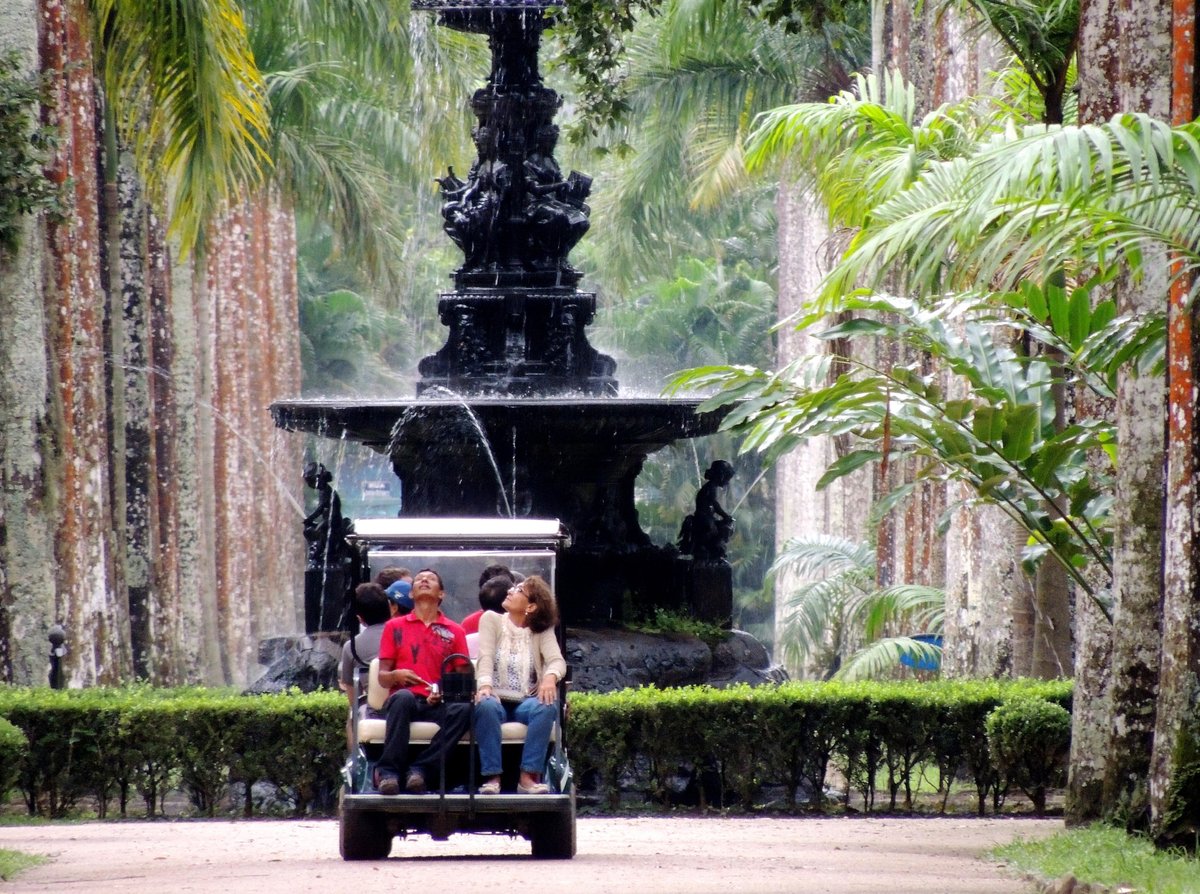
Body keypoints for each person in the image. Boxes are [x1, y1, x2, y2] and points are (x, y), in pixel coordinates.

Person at [374, 568, 472, 795]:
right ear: (411, 594)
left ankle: (421, 769)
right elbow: (383, 677)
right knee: (403, 698)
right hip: (404, 699)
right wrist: (397, 676)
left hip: (437, 701)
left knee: (464, 710)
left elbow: (463, 677)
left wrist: (443, 692)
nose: (424, 580)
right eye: (419, 579)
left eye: (431, 579)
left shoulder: (454, 631)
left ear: (441, 595)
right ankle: (389, 773)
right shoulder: (394, 627)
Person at [473, 575, 566, 795]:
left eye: (519, 590)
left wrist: (549, 677)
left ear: (531, 606)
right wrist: (485, 685)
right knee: (485, 706)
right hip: (496, 698)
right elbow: (484, 655)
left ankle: (528, 777)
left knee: (546, 706)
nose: (510, 591)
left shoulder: (541, 630)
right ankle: (492, 778)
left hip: (525, 701)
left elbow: (557, 661)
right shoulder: (491, 619)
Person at [338, 583, 391, 750]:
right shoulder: (403, 635)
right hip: (410, 702)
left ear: (359, 618)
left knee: (352, 715)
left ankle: (356, 764)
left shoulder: (352, 646)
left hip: (375, 709)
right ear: (389, 607)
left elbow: (352, 696)